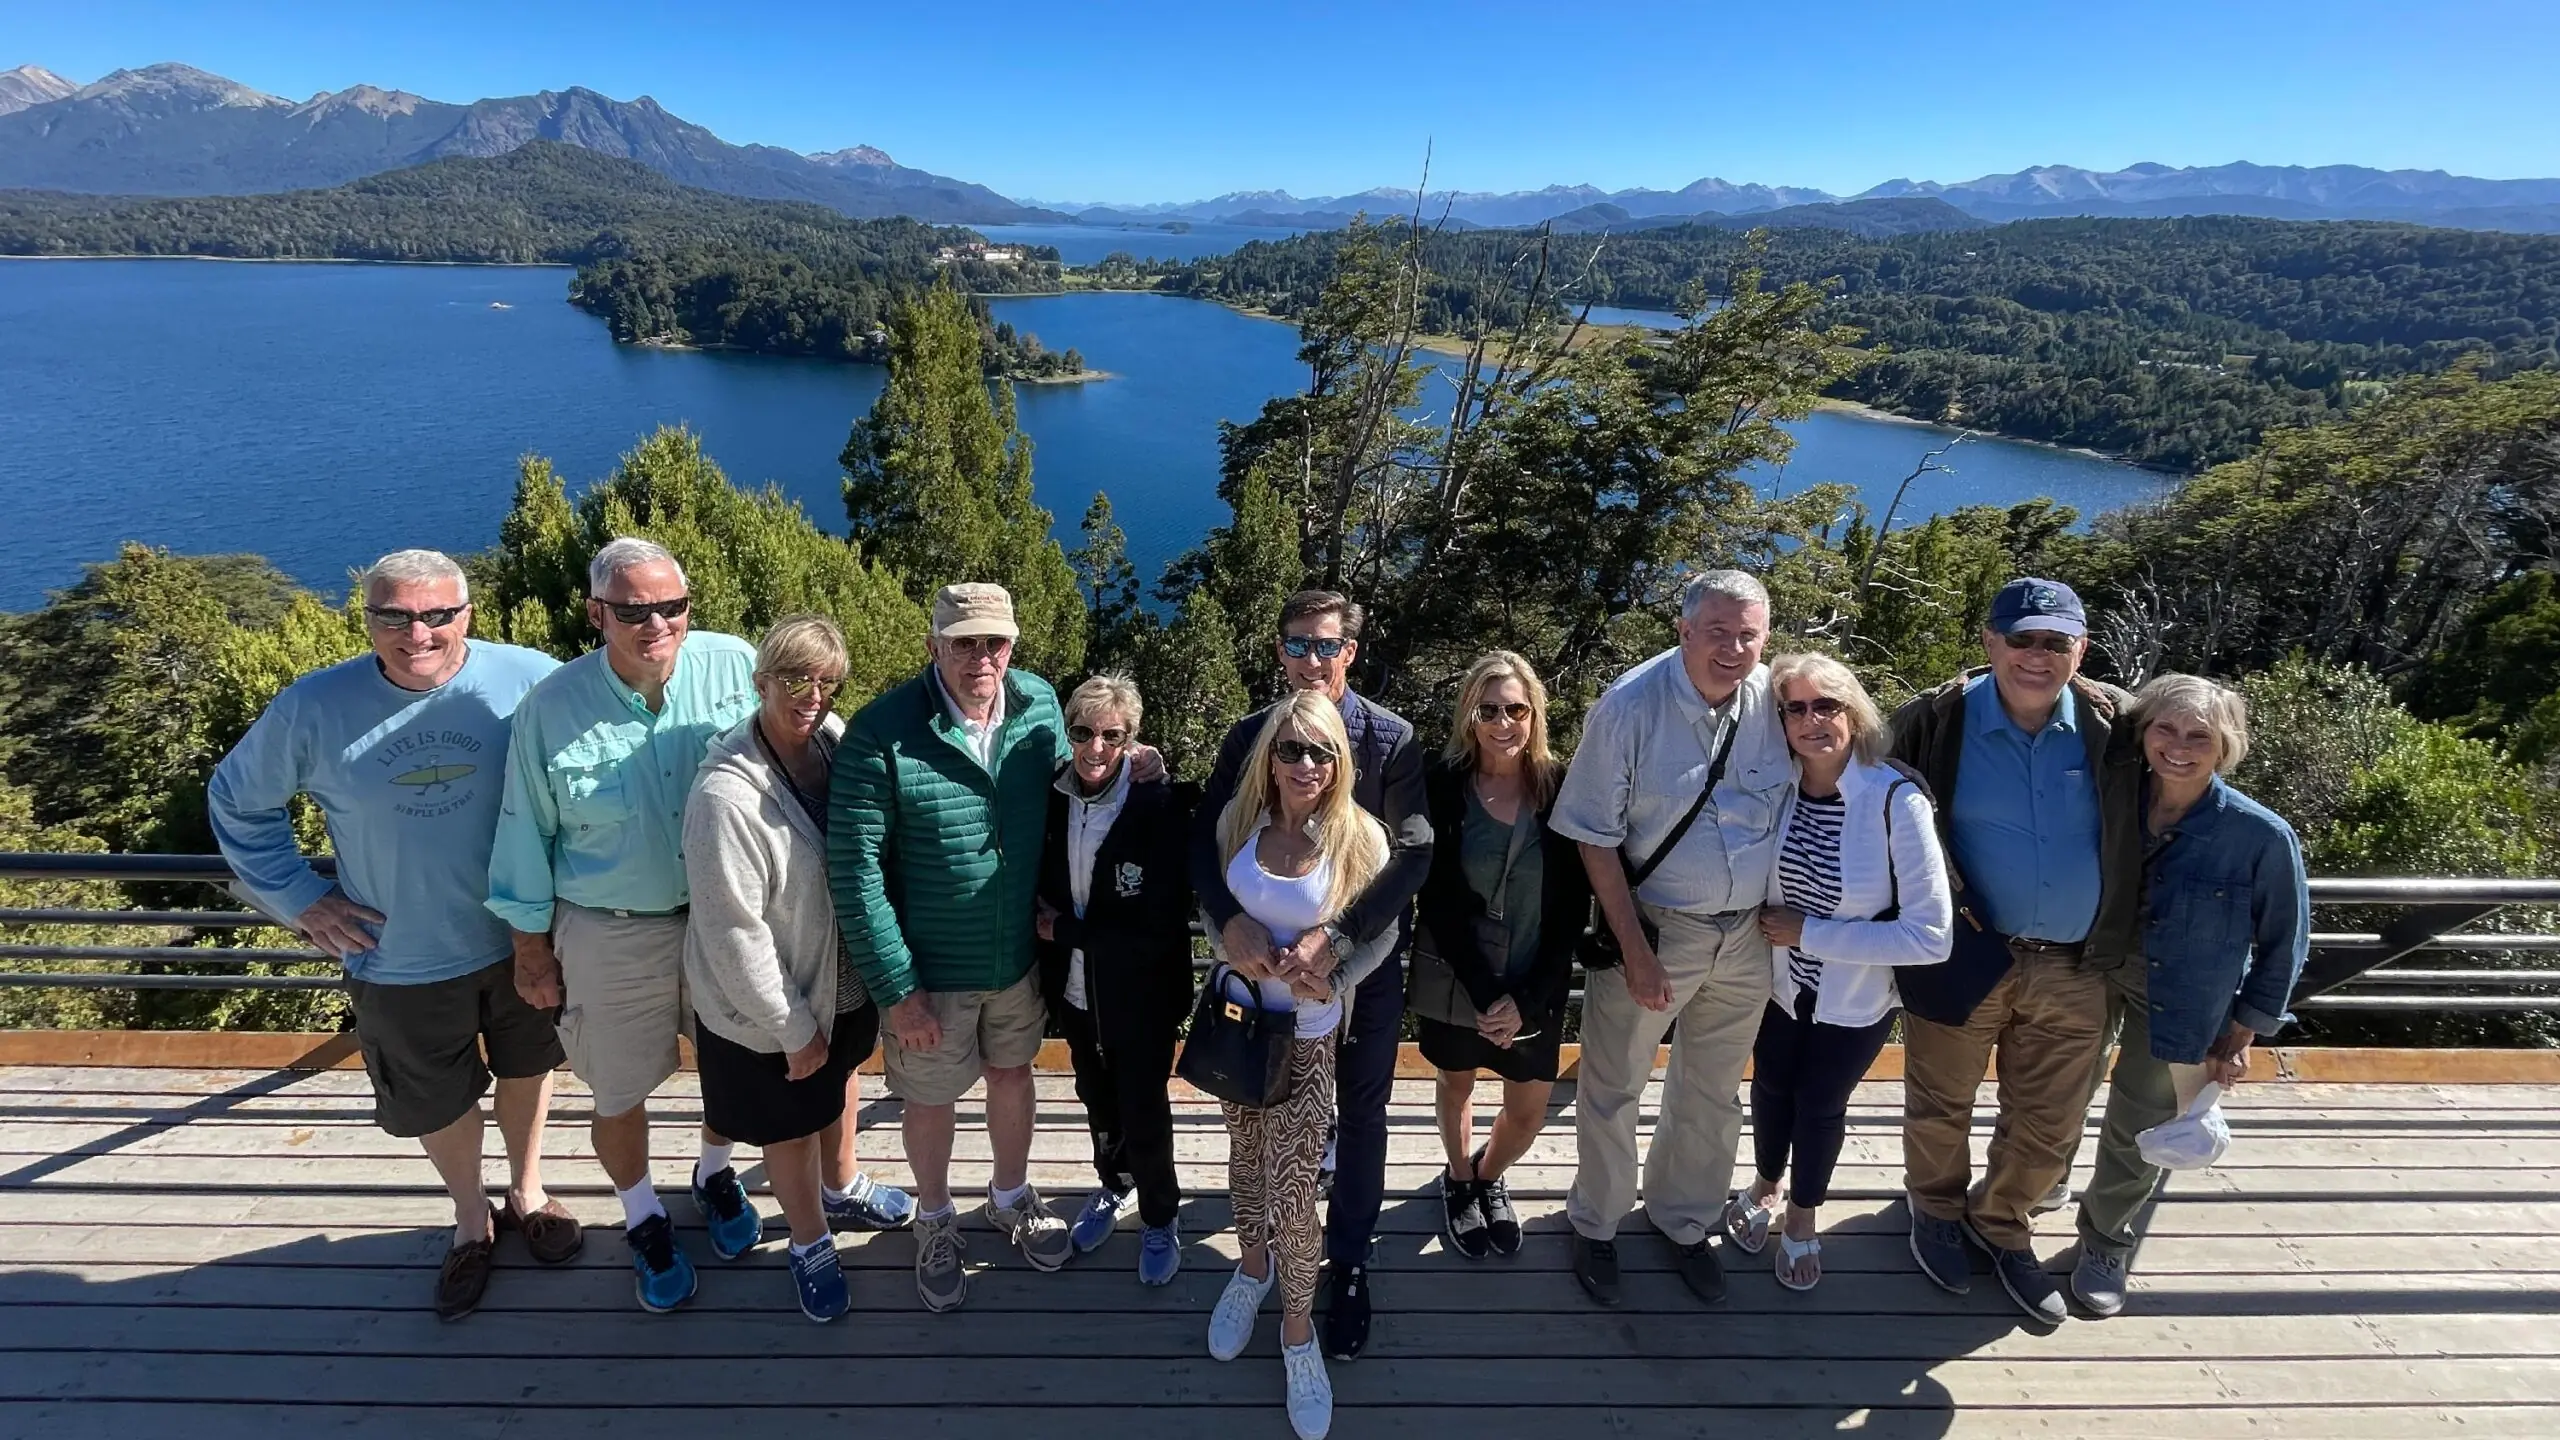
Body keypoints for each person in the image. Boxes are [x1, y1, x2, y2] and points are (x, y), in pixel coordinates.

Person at [208, 549, 576, 1321]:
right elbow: (238, 802)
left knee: (528, 1068)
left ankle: (530, 1189)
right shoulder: (314, 706)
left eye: (439, 613)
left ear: (468, 613)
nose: (419, 632)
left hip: (524, 939)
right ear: (368, 621)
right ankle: (471, 1219)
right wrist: (300, 897)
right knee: (435, 1100)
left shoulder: (529, 677)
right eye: (396, 616)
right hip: (398, 954)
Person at [486, 537, 763, 1314]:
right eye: (634, 610)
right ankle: (643, 1217)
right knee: (616, 1090)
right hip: (610, 929)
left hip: (724, 921)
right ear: (596, 612)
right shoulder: (551, 708)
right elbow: (524, 833)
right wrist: (530, 951)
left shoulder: (734, 666)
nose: (656, 623)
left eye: (671, 606)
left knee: (733, 1064)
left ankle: (714, 1174)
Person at [1885, 576, 2142, 1325]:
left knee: (2051, 1120)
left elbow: (2189, 801)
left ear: (2080, 649)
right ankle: (1933, 1211)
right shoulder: (1935, 722)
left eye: (2054, 641)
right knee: (1940, 1103)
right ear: (1991, 643)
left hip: (2077, 962)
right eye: (2022, 639)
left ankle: (2001, 1225)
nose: (2037, 656)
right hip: (1962, 954)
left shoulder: (2119, 729)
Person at [1191, 589, 1432, 1359]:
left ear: (1350, 652)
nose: (1311, 660)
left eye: (1326, 646)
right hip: (1261, 985)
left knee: (1361, 1114)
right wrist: (1224, 921)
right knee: (1250, 1113)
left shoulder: (1389, 740)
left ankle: (1348, 1265)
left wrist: (1343, 939)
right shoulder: (1249, 737)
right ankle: (1260, 1264)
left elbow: (1415, 853)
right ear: (1278, 651)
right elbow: (1209, 837)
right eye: (1297, 645)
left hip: (1361, 969)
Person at [1550, 569, 1794, 1309]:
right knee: (1613, 1084)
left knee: (1714, 1091)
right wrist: (1635, 950)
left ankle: (1683, 1220)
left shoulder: (1776, 700)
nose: (1734, 647)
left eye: (1749, 634)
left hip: (1748, 933)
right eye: (1717, 631)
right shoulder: (1629, 708)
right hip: (1658, 927)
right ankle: (1595, 1223)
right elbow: (1593, 839)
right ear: (1683, 630)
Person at [829, 582, 1076, 1312]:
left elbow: (1071, 792)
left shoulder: (1039, 706)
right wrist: (896, 990)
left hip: (1016, 962)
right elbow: (855, 869)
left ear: (1012, 645)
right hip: (929, 973)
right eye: (963, 642)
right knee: (930, 1098)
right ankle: (934, 1219)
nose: (981, 657)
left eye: (994, 642)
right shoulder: (883, 730)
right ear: (933, 644)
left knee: (1013, 1076)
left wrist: (1131, 765)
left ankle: (1007, 1195)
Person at [2066, 674, 2308, 1318]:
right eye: (2164, 729)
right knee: (2055, 1093)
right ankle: (2035, 1193)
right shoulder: (2111, 797)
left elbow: (2285, 942)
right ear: (2143, 733)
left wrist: (2244, 1031)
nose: (2178, 745)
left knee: (2139, 1121)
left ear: (2225, 746)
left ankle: (2104, 1239)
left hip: (2182, 995)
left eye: (2199, 735)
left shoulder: (2259, 835)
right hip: (2089, 966)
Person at [682, 615, 893, 1323]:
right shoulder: (726, 798)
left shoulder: (831, 747)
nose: (814, 696)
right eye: (797, 680)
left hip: (840, 979)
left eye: (828, 682)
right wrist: (794, 1027)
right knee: (790, 1124)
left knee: (844, 1079)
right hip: (767, 1005)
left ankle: (843, 1185)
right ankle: (809, 1241)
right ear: (761, 680)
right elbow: (733, 932)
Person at [1727, 653, 1953, 1291]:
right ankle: (1767, 1185)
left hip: (1854, 997)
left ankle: (1802, 1220)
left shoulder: (1893, 799)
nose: (1810, 720)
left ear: (1854, 712)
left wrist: (1811, 934)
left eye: (1825, 704)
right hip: (1778, 985)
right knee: (1770, 1088)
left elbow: (1931, 935)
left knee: (1819, 1105)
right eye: (1793, 708)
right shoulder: (1780, 788)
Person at [1202, 690, 1391, 1440]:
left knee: (1294, 1194)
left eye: (1322, 752)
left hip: (1309, 1041)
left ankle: (1298, 1333)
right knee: (1244, 1161)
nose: (1305, 764)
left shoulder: (1361, 838)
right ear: (1269, 759)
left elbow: (1380, 932)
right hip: (1237, 1027)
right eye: (1291, 750)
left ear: (1341, 762)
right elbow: (1214, 908)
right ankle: (1252, 1271)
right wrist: (1229, 943)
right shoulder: (1239, 824)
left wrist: (1335, 970)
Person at [1408, 650, 1590, 1260]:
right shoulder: (1444, 786)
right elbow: (1437, 899)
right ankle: (1459, 1181)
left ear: (1535, 713)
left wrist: (1529, 997)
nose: (1503, 722)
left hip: (1533, 977)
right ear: (1469, 715)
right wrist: (1488, 994)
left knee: (1529, 1105)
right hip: (1461, 975)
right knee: (1455, 1084)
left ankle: (1489, 1175)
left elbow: (1571, 909)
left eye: (1517, 708)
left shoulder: (1560, 789)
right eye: (1490, 709)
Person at [1035, 673, 1196, 1286]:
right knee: (1095, 1099)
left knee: (1145, 1108)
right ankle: (1114, 1183)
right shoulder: (1050, 797)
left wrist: (1066, 934)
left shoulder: (1156, 807)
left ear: (1132, 740)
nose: (1095, 747)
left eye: (1112, 735)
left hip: (1141, 998)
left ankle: (1160, 1215)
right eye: (1083, 731)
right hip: (1076, 993)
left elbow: (1158, 926)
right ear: (1068, 733)